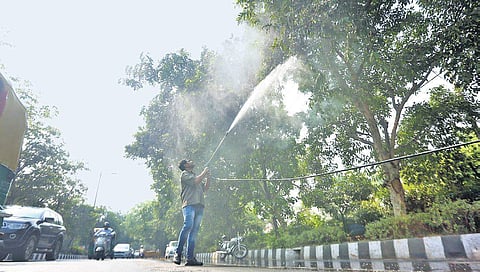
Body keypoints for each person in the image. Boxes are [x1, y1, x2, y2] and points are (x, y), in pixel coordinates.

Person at [173, 159, 210, 266]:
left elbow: (205, 188)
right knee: (188, 225)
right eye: (189, 161)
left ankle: (190, 259)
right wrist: (204, 172)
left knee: (194, 232)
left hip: (199, 206)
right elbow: (195, 181)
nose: (191, 161)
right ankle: (178, 253)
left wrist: (208, 176)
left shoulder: (195, 176)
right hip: (189, 205)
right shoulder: (184, 174)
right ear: (185, 165)